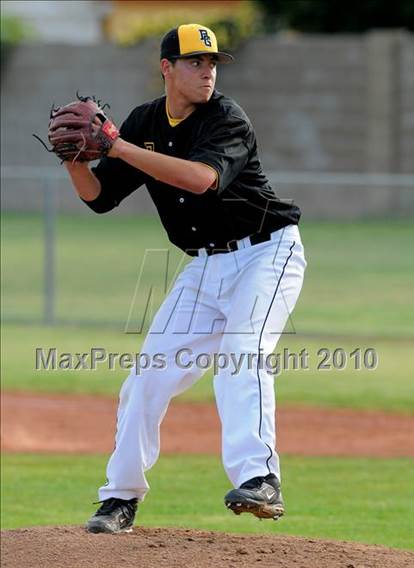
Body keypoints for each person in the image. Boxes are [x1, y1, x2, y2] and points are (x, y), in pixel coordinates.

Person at [64, 23, 306, 534]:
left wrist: (118, 146)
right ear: (166, 67)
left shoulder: (227, 118)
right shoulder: (145, 120)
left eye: (213, 62)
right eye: (196, 61)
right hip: (204, 266)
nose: (207, 71)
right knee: (145, 379)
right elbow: (100, 198)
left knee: (242, 355)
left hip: (267, 254)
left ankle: (261, 478)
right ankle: (119, 498)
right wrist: (75, 160)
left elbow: (200, 180)